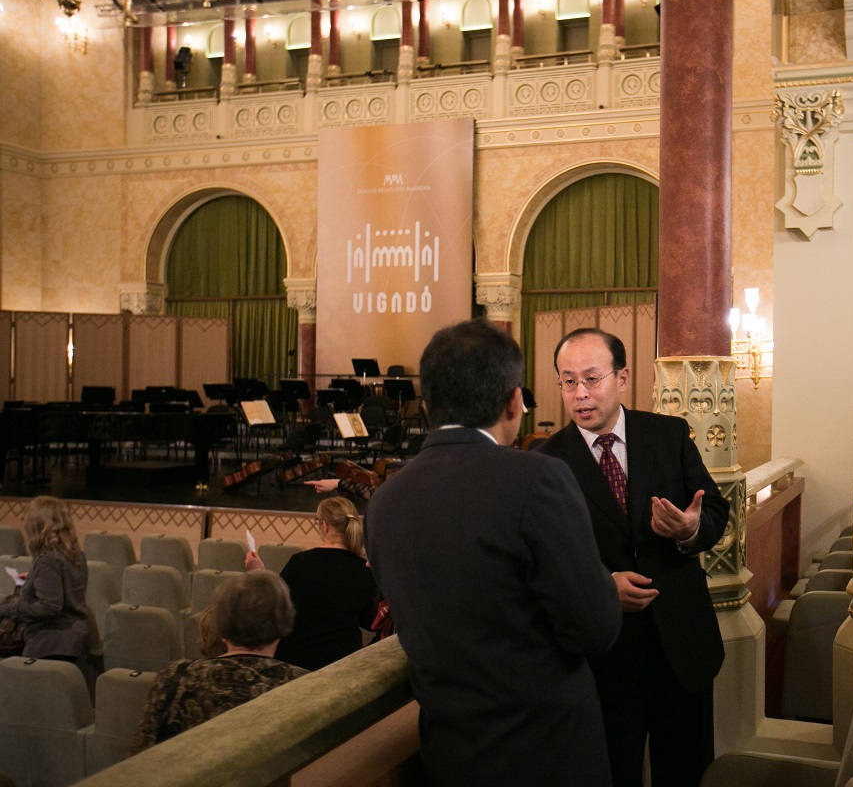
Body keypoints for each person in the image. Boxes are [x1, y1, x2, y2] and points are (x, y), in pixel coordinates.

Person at [366, 318, 621, 787]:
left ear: (428, 405)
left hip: (449, 757)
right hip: (548, 755)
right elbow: (595, 629)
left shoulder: (384, 501)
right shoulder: (537, 478)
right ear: (513, 401)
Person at [539, 328, 730, 787]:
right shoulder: (545, 463)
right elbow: (542, 561)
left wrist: (689, 530)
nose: (580, 394)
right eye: (568, 381)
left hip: (680, 649)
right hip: (603, 660)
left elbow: (715, 511)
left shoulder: (667, 434)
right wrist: (602, 588)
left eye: (591, 378)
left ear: (622, 378)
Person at [130, 570, 307, 753]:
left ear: (220, 625)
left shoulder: (173, 676)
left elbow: (140, 755)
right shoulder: (303, 685)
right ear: (284, 624)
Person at [245, 497, 378, 671]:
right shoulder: (364, 569)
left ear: (325, 525)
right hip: (342, 665)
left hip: (294, 664)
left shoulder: (299, 562)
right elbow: (371, 622)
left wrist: (258, 572)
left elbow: (273, 607)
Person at [0, 496, 89, 663]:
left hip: (50, 644)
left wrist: (9, 609)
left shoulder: (48, 559)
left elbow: (49, 607)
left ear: (36, 525)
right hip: (71, 640)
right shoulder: (77, 554)